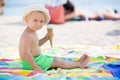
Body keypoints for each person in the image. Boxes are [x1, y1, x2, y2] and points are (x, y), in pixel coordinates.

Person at [19, 6, 89, 73]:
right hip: (31, 63)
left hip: (37, 58)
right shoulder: (27, 35)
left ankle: (76, 63)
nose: (38, 24)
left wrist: (46, 38)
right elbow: (27, 52)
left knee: (56, 59)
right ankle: (79, 64)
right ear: (26, 19)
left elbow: (35, 45)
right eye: (35, 20)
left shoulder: (32, 32)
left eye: (41, 21)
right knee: (57, 62)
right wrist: (36, 67)